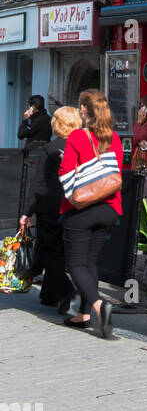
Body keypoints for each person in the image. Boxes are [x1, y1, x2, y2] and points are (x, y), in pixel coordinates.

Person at [59, 90, 123, 339]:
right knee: (89, 263)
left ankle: (98, 306)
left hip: (82, 209)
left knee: (75, 264)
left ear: (84, 110)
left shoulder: (77, 136)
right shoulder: (113, 137)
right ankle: (83, 315)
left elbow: (66, 172)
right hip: (109, 207)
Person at [18, 105, 78, 311]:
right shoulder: (82, 146)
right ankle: (50, 294)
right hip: (74, 204)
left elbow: (39, 182)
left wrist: (27, 212)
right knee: (55, 250)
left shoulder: (51, 148)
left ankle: (66, 291)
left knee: (50, 252)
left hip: (50, 205)